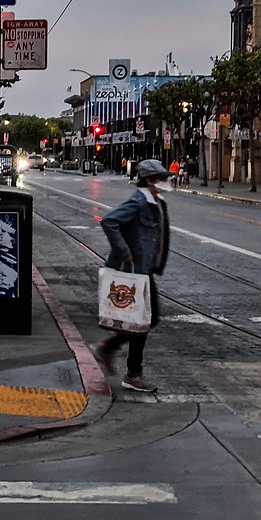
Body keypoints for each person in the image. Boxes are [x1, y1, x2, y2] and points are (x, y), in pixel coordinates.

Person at [94, 157, 170, 394]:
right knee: (146, 319)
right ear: (149, 180)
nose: (166, 183)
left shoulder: (157, 202)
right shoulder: (139, 202)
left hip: (145, 270)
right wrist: (125, 253)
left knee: (146, 319)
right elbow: (109, 221)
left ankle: (112, 351)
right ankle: (132, 372)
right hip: (136, 272)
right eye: (161, 179)